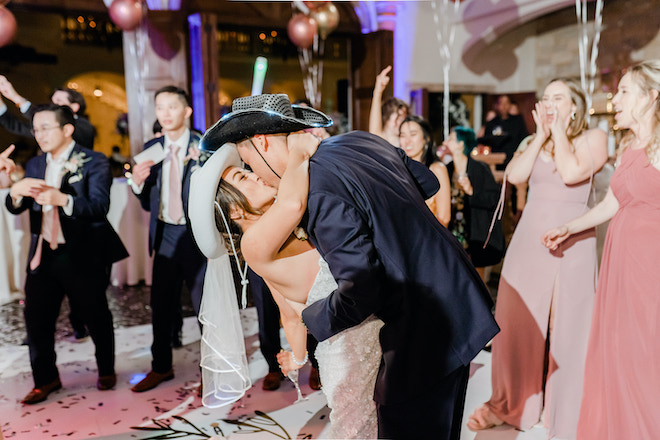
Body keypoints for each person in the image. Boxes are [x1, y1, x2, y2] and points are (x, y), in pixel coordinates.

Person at [199, 93, 499, 439]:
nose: (253, 172)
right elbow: (426, 184)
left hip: (421, 331)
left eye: (247, 161)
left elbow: (364, 287)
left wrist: (311, 317)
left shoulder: (316, 191)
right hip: (458, 301)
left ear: (262, 141)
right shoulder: (360, 140)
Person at [190, 133, 383, 438]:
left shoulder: (280, 232)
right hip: (348, 353)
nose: (254, 175)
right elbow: (292, 203)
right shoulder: (253, 244)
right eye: (244, 176)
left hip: (365, 338)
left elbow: (290, 312)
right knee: (358, 427)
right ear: (235, 211)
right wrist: (298, 152)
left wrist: (297, 355)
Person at [467, 79, 608, 438]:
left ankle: (563, 410)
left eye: (558, 98)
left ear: (575, 105)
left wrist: (558, 132)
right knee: (516, 322)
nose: (548, 103)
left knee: (568, 329)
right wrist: (541, 137)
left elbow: (574, 172)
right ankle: (512, 404)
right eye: (545, 98)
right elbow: (515, 176)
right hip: (530, 240)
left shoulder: (593, 138)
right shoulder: (534, 140)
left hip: (573, 241)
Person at [542, 61, 660, 440]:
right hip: (620, 262)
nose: (615, 99)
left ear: (652, 96)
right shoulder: (628, 148)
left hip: (651, 265)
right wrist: (569, 227)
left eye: (625, 91)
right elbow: (612, 204)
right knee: (620, 350)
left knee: (647, 351)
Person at [5, 104, 127, 404]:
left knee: (95, 314)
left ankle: (106, 369)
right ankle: (45, 379)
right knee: (36, 319)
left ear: (67, 129)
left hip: (83, 252)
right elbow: (17, 206)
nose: (39, 134)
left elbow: (99, 207)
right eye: (35, 129)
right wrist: (15, 192)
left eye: (45, 127)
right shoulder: (34, 164)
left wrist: (63, 199)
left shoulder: (94, 161)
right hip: (44, 253)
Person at [129, 86, 209, 392]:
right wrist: (137, 184)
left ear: (187, 110)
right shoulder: (151, 148)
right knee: (160, 306)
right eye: (159, 107)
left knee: (204, 308)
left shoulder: (205, 144)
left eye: (171, 107)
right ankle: (160, 367)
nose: (165, 113)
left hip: (196, 235)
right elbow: (149, 202)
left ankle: (211, 371)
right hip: (164, 234)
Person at [443, 126, 504, 281]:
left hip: (475, 232)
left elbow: (494, 199)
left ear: (461, 144)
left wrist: (471, 192)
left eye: (451, 138)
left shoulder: (479, 168)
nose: (445, 141)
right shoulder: (447, 169)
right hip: (454, 231)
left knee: (477, 280)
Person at [0, 76, 96, 150]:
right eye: (52, 102)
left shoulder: (83, 126)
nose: (53, 107)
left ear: (75, 107)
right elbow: (16, 126)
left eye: (58, 102)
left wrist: (16, 98)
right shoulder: (48, 127)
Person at [399, 114, 451, 226]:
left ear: (426, 138)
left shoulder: (436, 169)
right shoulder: (400, 170)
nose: (407, 141)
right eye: (402, 135)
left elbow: (444, 218)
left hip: (430, 239)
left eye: (413, 134)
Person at [478, 94, 529, 168]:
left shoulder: (517, 122)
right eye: (502, 103)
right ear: (497, 105)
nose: (504, 106)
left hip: (514, 160)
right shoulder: (492, 123)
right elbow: (486, 139)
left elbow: (524, 138)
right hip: (496, 162)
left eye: (506, 103)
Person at [368, 65, 410, 147]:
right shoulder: (380, 141)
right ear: (386, 119)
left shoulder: (407, 143)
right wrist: (378, 91)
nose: (401, 123)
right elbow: (374, 131)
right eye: (398, 118)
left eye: (404, 118)